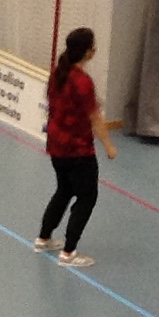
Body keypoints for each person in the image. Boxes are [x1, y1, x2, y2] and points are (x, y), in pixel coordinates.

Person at [33, 26, 118, 266]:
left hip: (56, 146)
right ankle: (69, 251)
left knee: (64, 189)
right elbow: (95, 118)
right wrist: (109, 146)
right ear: (89, 52)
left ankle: (43, 237)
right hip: (78, 150)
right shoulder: (83, 82)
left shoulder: (57, 73)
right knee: (87, 196)